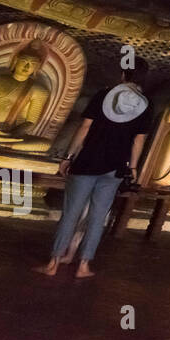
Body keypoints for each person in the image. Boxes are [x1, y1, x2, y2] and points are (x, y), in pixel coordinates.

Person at [36, 62, 153, 279]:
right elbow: (139, 140)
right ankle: (84, 266)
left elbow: (85, 127)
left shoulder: (104, 95)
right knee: (98, 218)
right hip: (115, 168)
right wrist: (133, 167)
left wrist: (68, 156)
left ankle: (53, 263)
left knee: (71, 214)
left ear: (122, 74)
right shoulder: (146, 104)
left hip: (86, 163)